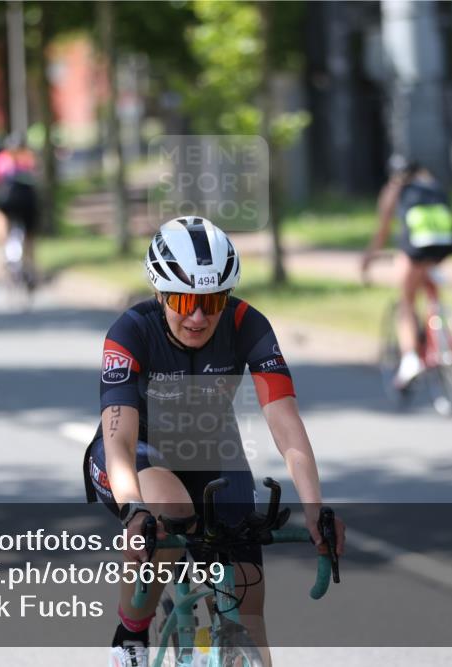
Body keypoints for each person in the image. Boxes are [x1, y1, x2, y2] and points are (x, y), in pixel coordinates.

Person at [82, 217, 345, 667]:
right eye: (184, 300)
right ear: (162, 293)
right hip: (138, 456)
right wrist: (132, 510)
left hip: (212, 454)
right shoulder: (131, 331)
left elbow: (285, 422)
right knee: (168, 511)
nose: (199, 316)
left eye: (212, 301)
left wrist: (315, 506)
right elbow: (119, 436)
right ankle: (130, 636)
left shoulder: (247, 324)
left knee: (248, 600)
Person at [361, 155, 452, 389]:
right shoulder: (432, 184)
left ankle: (410, 360)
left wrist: (369, 257)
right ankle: (442, 332)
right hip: (443, 245)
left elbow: (383, 229)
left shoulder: (394, 189)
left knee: (406, 301)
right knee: (427, 284)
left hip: (416, 247)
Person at [0, 133, 39, 289]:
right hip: (29, 200)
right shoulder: (30, 158)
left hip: (8, 200)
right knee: (30, 235)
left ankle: (2, 251)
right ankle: (31, 266)